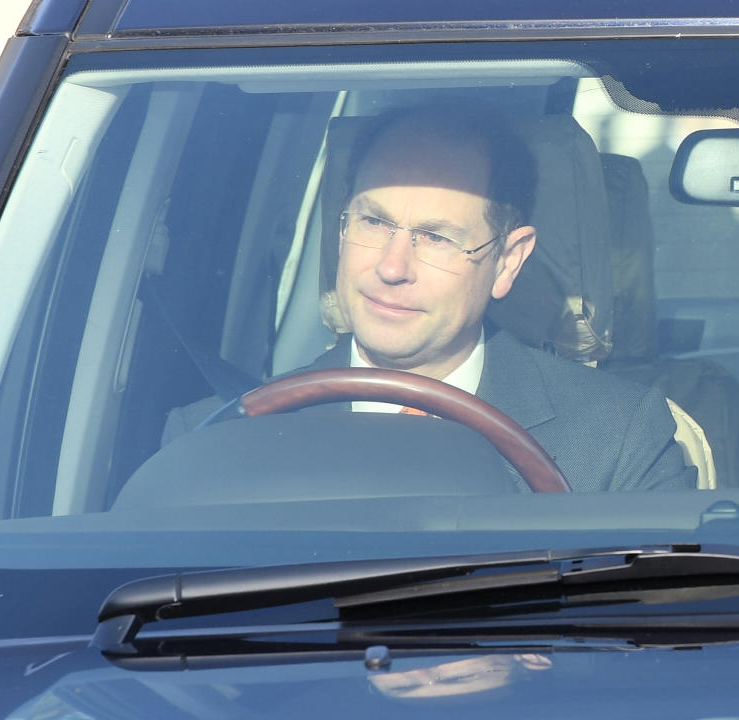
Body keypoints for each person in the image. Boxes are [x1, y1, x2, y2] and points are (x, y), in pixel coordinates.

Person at [164, 105, 695, 491]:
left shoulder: (618, 436)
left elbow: (650, 636)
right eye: (373, 222)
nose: (392, 268)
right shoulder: (216, 435)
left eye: (437, 237)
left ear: (507, 261)